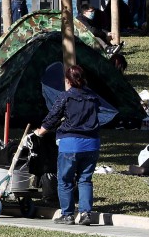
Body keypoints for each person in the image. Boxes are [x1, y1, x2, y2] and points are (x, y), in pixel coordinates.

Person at [33, 64, 101, 226]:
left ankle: (68, 215)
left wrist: (40, 132)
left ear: (68, 81)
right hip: (92, 144)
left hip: (70, 144)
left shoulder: (66, 97)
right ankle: (85, 214)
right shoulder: (93, 97)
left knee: (65, 180)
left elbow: (52, 118)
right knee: (85, 179)